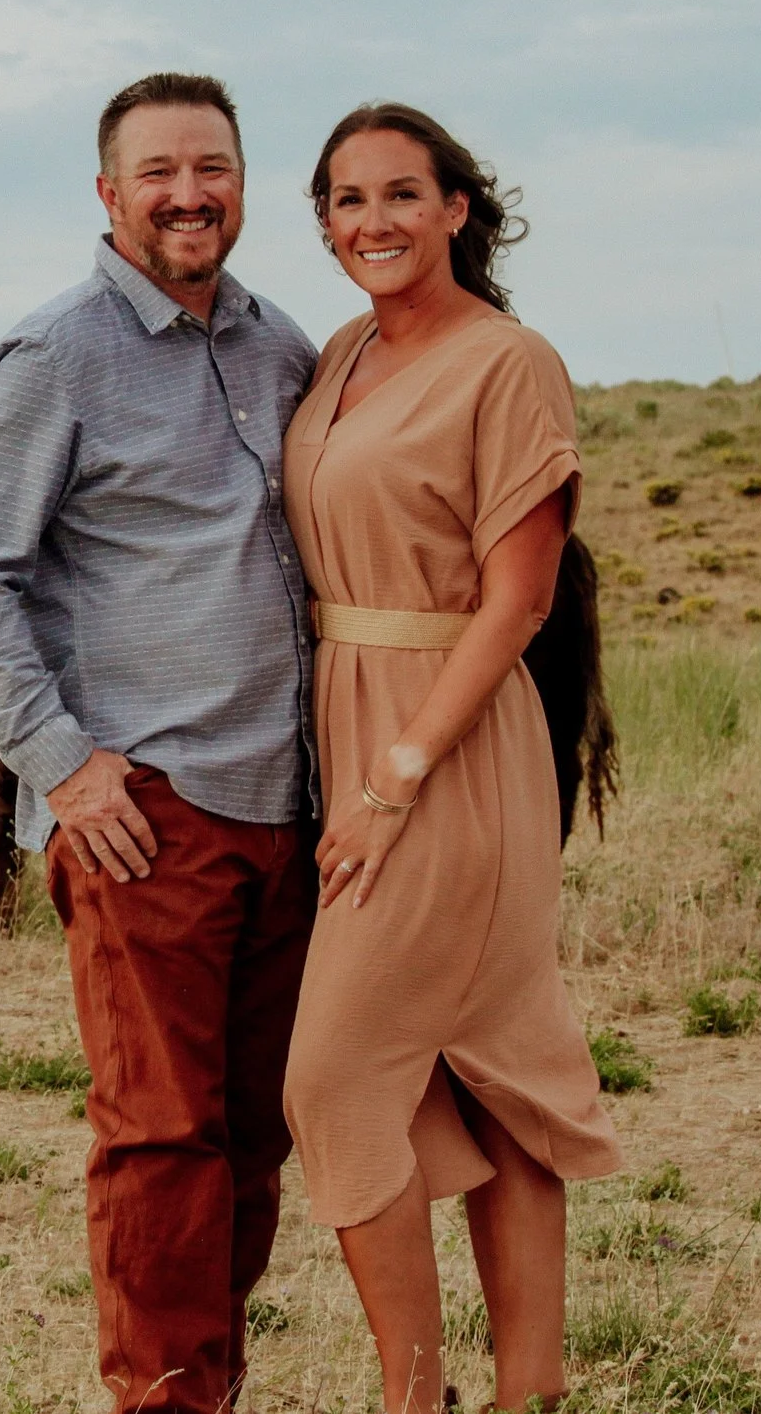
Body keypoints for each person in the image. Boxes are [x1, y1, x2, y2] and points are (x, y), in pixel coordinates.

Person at [0, 73, 319, 1414]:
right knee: (159, 1138)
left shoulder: (283, 348)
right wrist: (64, 762)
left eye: (213, 166)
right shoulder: (56, 356)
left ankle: (211, 1380)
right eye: (159, 171)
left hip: (295, 811)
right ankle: (163, 1397)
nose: (189, 193)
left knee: (255, 1139)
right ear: (108, 195)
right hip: (151, 817)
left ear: (244, 185)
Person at [280, 103, 623, 1412]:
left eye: (402, 194)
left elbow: (519, 601)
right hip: (348, 720)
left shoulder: (507, 361)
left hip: (448, 750)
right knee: (480, 1070)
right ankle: (526, 1391)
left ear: (457, 210)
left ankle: (409, 1397)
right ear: (324, 222)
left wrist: (396, 776)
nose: (374, 221)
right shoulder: (342, 353)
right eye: (349, 200)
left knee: (333, 1075)